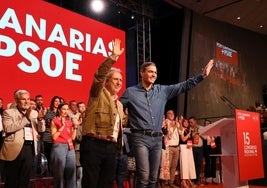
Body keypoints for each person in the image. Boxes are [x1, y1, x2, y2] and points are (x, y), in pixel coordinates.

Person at [120, 59, 214, 187]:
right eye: (150, 71)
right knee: (143, 176)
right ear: (142, 73)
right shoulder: (130, 92)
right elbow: (117, 110)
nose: (154, 74)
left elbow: (183, 86)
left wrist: (202, 76)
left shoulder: (162, 91)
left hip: (157, 139)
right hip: (139, 138)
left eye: (155, 72)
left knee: (153, 177)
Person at [80, 38, 127, 188]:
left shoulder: (119, 104)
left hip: (111, 148)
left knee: (106, 184)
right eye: (115, 79)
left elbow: (121, 126)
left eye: (121, 80)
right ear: (107, 82)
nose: (119, 82)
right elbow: (99, 75)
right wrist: (113, 57)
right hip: (94, 145)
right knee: (91, 184)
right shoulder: (97, 93)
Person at [0, 90, 42, 188]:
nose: (27, 102)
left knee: (25, 180)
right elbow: (8, 128)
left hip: (30, 148)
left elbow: (40, 129)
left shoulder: (34, 113)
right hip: (14, 148)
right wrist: (26, 118)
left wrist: (40, 119)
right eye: (23, 99)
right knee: (11, 180)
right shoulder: (8, 112)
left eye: (28, 99)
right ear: (17, 100)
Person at [50, 103, 77, 188]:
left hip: (70, 147)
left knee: (71, 171)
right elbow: (54, 137)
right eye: (64, 109)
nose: (66, 111)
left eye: (67, 109)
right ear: (59, 110)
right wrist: (61, 127)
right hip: (59, 146)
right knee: (59, 173)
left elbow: (72, 137)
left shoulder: (69, 121)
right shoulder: (54, 121)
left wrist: (75, 127)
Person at [179, 118, 196, 188]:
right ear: (182, 123)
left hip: (189, 147)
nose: (186, 123)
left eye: (187, 122)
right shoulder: (181, 129)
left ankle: (188, 179)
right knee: (184, 164)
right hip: (183, 147)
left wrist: (194, 135)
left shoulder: (189, 130)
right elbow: (183, 139)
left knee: (189, 164)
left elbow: (191, 140)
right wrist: (188, 134)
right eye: (185, 122)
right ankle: (183, 181)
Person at [188, 116, 204, 185]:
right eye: (189, 122)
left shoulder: (201, 128)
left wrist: (199, 132)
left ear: (195, 121)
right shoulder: (189, 129)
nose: (190, 123)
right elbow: (188, 139)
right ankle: (193, 180)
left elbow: (205, 137)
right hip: (193, 148)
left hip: (200, 148)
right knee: (193, 164)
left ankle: (197, 180)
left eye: (191, 122)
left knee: (199, 164)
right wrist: (192, 134)